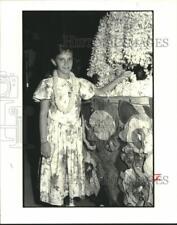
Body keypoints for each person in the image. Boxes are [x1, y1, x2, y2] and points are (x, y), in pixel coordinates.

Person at [33, 44, 131, 206]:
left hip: (73, 136)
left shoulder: (80, 83)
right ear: (53, 61)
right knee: (57, 170)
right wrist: (44, 141)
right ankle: (58, 203)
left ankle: (71, 202)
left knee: (72, 168)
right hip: (54, 135)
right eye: (61, 59)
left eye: (69, 59)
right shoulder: (47, 84)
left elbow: (100, 91)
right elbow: (43, 114)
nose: (66, 63)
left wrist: (119, 79)